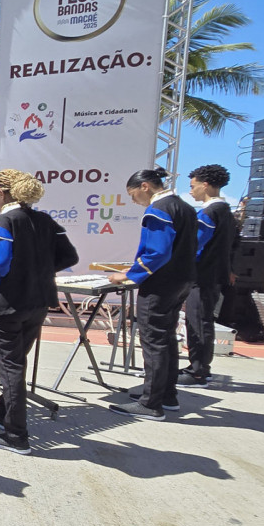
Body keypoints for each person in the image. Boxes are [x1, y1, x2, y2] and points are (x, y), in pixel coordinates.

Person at [0, 170, 79, 454]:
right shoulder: (45, 220)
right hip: (39, 301)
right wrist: (36, 271)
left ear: (2, 193)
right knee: (17, 362)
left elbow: (0, 261)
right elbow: (70, 257)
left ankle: (16, 436)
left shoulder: (5, 219)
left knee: (10, 367)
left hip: (9, 302)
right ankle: (4, 412)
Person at [108, 167, 198, 420]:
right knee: (167, 339)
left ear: (144, 186)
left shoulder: (159, 208)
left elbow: (157, 252)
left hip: (162, 283)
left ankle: (151, 404)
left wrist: (128, 275)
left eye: (132, 194)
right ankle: (165, 395)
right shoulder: (186, 207)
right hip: (182, 279)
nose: (133, 200)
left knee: (153, 341)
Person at [181, 164, 236, 386]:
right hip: (211, 275)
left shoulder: (209, 212)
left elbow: (195, 245)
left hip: (203, 276)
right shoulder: (225, 211)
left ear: (205, 185)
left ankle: (199, 370)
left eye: (193, 186)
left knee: (198, 322)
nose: (191, 191)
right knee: (201, 320)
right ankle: (199, 365)